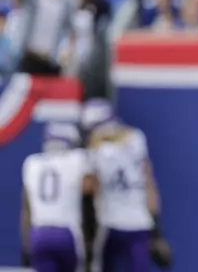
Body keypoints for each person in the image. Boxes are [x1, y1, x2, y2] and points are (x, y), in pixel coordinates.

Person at [82, 99, 172, 272]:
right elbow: (149, 185)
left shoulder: (93, 151)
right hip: (139, 222)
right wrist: (157, 229)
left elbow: (89, 190)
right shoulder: (136, 138)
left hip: (109, 225)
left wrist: (88, 236)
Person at [20, 122, 95, 272]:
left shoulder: (32, 163)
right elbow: (91, 190)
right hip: (67, 233)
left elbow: (26, 209)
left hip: (39, 234)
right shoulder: (78, 159)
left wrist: (25, 244)